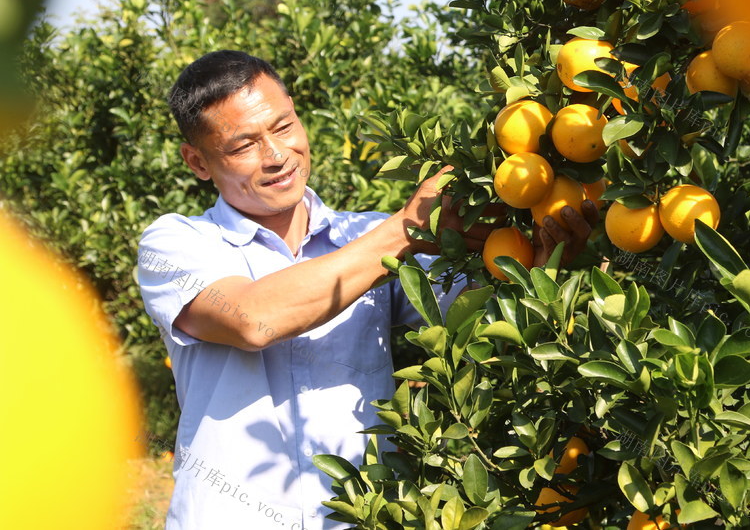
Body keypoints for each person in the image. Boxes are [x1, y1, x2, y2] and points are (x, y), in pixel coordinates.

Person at [136, 50, 598, 529]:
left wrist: (540, 263)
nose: (276, 155)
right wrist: (405, 230)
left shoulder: (365, 237)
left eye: (283, 126)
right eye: (243, 146)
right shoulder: (176, 244)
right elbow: (251, 319)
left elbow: (481, 317)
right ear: (198, 162)